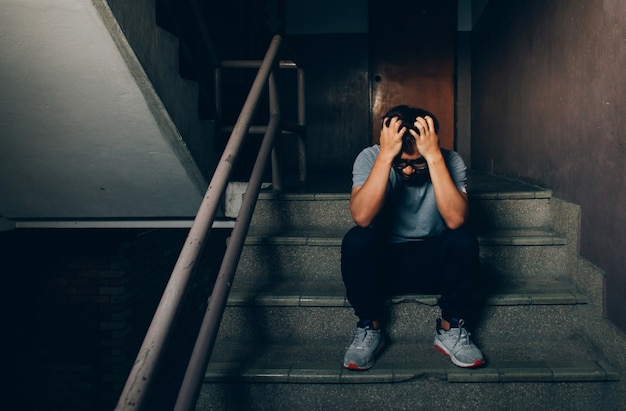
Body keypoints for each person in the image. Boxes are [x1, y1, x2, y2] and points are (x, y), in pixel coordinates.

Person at [341, 105, 484, 370]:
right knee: (356, 239)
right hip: (385, 267)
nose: (408, 171)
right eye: (401, 163)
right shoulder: (370, 157)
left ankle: (450, 329)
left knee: (463, 240)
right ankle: (369, 327)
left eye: (416, 163)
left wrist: (433, 159)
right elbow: (361, 216)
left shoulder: (450, 160)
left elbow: (455, 219)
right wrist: (385, 157)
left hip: (435, 267)